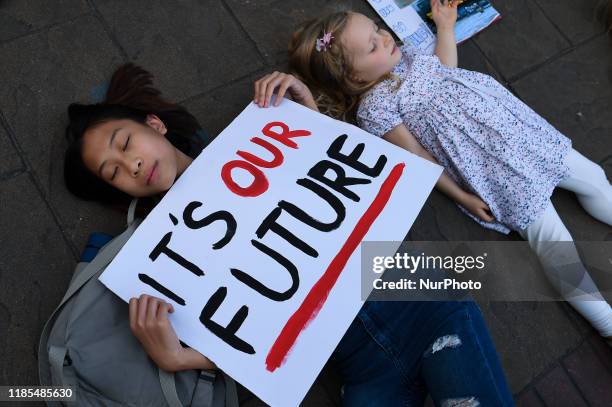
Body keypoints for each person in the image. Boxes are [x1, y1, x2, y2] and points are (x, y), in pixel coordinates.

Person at [63, 63, 514, 405]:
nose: (131, 165)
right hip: (359, 371)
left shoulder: (259, 139)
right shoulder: (167, 254)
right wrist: (177, 359)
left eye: (125, 145)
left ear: (154, 125)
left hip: (423, 305)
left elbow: (341, 182)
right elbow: (243, 338)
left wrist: (308, 110)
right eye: (113, 173)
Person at [252, 0, 612, 345]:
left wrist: (445, 27)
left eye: (378, 29)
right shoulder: (376, 107)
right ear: (354, 76)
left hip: (521, 133)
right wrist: (464, 197)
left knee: (593, 177)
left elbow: (445, 72)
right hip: (493, 169)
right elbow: (418, 155)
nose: (385, 37)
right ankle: (606, 323)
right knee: (555, 246)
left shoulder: (405, 56)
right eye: (373, 45)